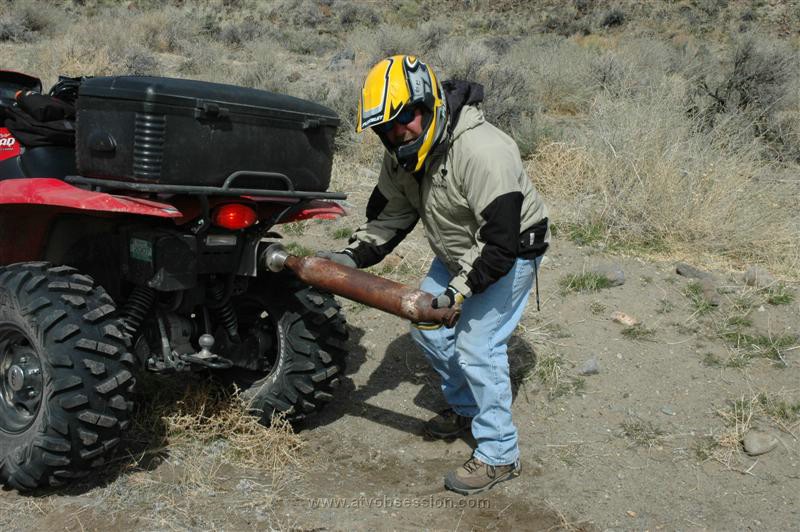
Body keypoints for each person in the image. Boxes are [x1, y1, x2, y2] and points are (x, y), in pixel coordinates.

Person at [318, 55, 549, 495]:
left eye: (405, 118)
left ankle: (500, 454)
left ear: (429, 104)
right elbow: (388, 219)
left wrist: (458, 293)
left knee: (477, 345)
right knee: (425, 326)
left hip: (512, 249)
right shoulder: (401, 157)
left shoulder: (484, 150)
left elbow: (500, 243)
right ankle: (465, 407)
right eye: (386, 127)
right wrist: (347, 259)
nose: (397, 132)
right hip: (460, 248)